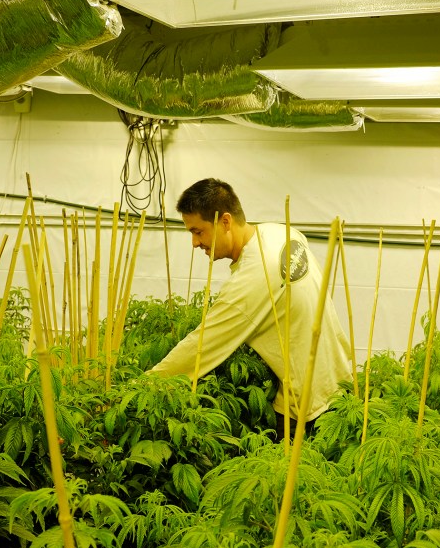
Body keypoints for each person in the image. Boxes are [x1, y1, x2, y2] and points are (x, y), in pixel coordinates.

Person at [151, 178, 352, 425]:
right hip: (340, 379)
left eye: (197, 231)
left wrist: (143, 386)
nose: (194, 243)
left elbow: (200, 347)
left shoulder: (253, 277)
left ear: (225, 221)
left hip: (309, 407)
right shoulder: (280, 231)